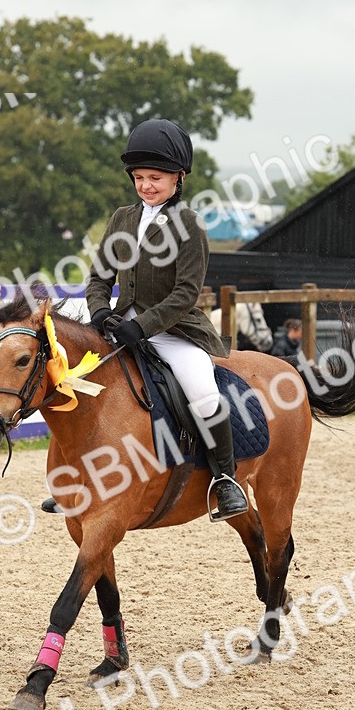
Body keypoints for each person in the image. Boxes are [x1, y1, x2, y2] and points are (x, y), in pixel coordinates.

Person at [85, 118, 248, 521]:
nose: (146, 186)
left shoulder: (189, 225)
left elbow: (186, 294)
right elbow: (99, 276)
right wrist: (101, 311)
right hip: (120, 326)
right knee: (82, 384)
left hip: (175, 330)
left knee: (203, 390)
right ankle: (84, 482)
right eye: (139, 178)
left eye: (155, 178)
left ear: (178, 178)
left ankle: (225, 480)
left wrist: (142, 325)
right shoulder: (122, 218)